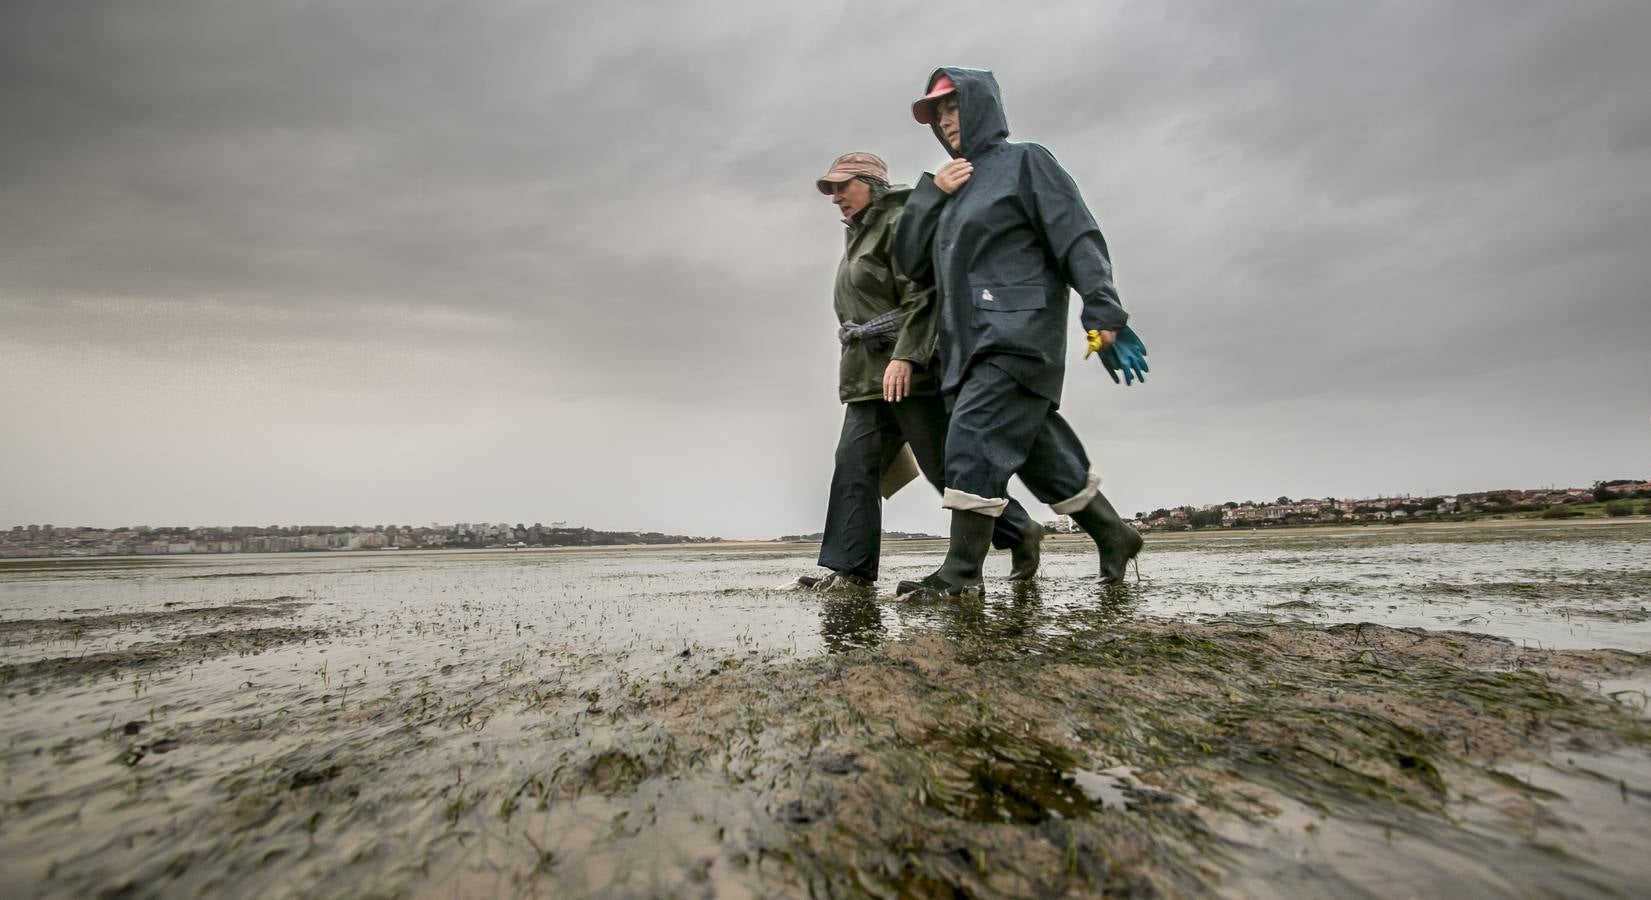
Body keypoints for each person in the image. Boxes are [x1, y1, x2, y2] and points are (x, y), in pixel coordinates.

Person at [891, 68, 1150, 595]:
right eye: (938, 114)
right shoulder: (952, 185)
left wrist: (1103, 310)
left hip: (1017, 333)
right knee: (1043, 457)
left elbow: (1077, 235)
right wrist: (928, 196)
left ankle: (961, 573)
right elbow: (912, 266)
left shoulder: (1027, 162)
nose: (946, 120)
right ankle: (1114, 534)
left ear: (981, 105)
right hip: (966, 346)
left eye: (953, 107)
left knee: (973, 439)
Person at [799, 151, 1044, 592]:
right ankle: (850, 569)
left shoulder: (898, 223)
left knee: (944, 469)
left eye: (843, 186)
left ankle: (1019, 530)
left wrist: (907, 356)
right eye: (831, 189)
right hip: (865, 377)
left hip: (910, 371)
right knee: (853, 465)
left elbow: (924, 296)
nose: (835, 197)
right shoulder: (857, 232)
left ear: (871, 183)